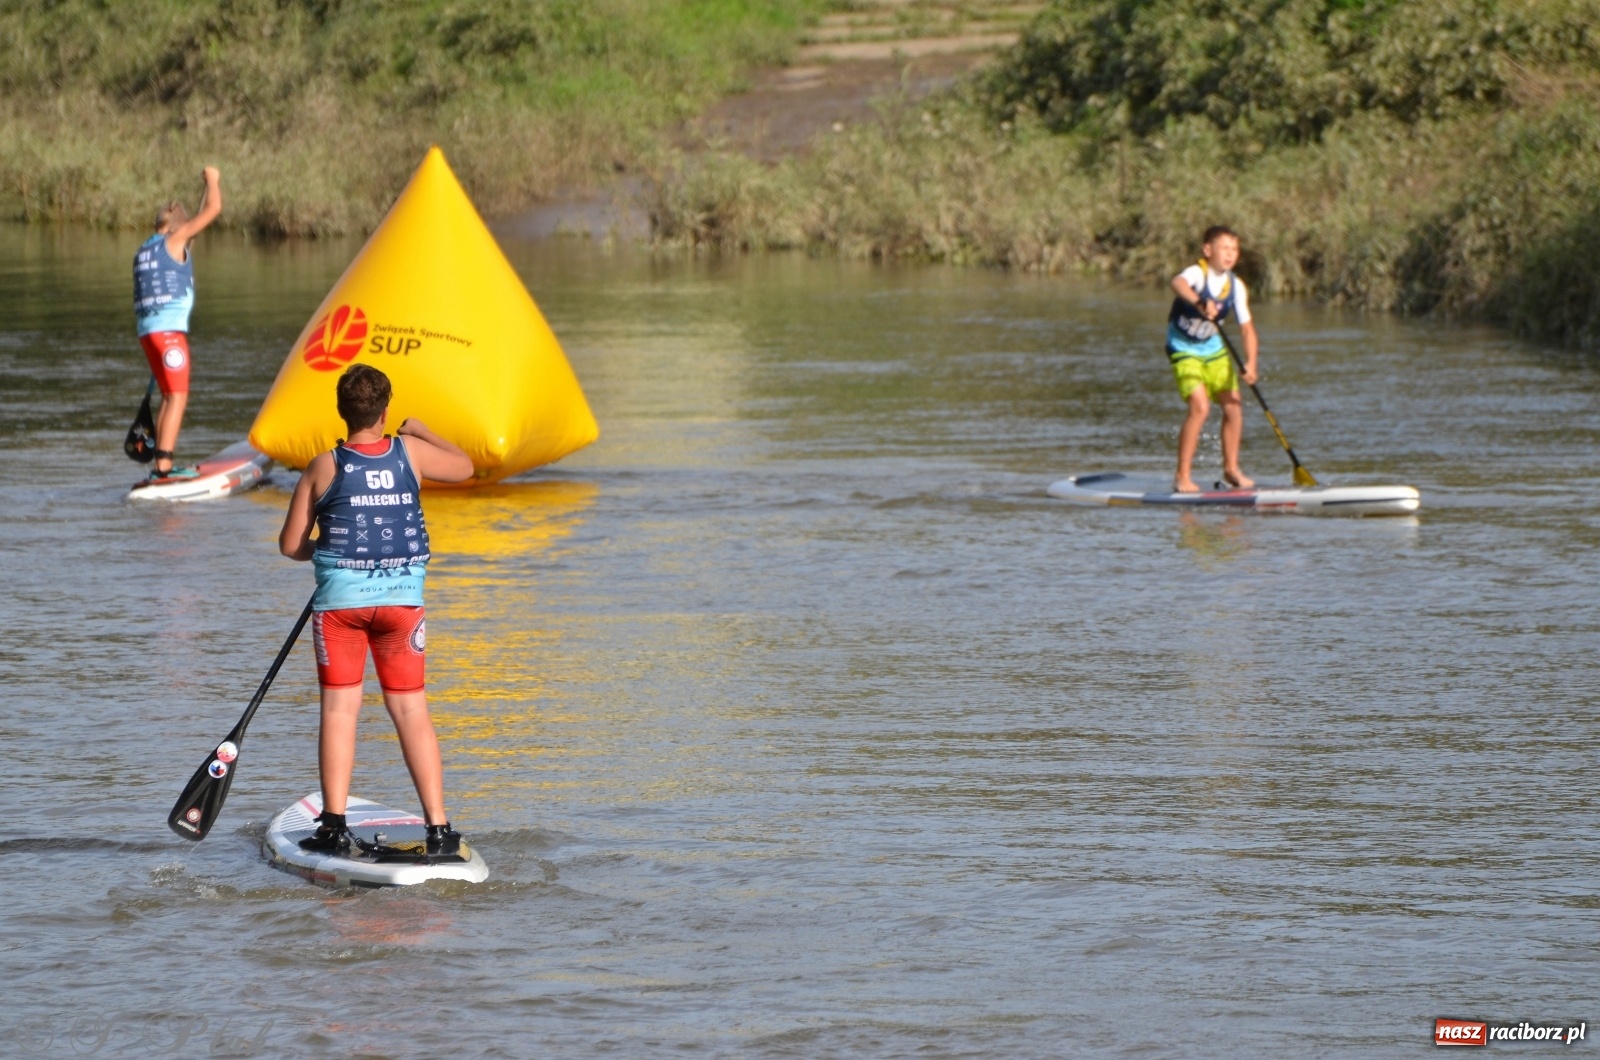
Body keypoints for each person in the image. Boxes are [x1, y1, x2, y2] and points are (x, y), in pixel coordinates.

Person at [278, 364, 476, 856]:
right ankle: (439, 830)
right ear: (385, 411)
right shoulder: (410, 451)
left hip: (341, 607)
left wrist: (324, 551)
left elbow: (289, 546)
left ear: (342, 412)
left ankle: (333, 827)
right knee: (411, 709)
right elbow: (466, 466)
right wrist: (422, 429)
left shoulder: (323, 465)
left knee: (341, 709)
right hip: (402, 605)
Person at [133, 166, 223, 480]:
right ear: (178, 226)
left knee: (169, 396)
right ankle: (164, 468)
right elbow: (214, 208)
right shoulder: (175, 238)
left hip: (148, 334)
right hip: (169, 334)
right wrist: (212, 180)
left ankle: (161, 464)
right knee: (179, 396)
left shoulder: (144, 248)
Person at [1166, 225, 1258, 493]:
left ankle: (1231, 469)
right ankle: (1182, 476)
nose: (1230, 255)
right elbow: (1177, 283)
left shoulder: (1236, 286)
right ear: (1208, 250)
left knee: (1234, 406)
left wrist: (1251, 363)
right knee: (1200, 407)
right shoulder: (1197, 273)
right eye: (1224, 248)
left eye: (1235, 249)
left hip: (1214, 350)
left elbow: (1247, 329)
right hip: (1184, 349)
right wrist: (1199, 302)